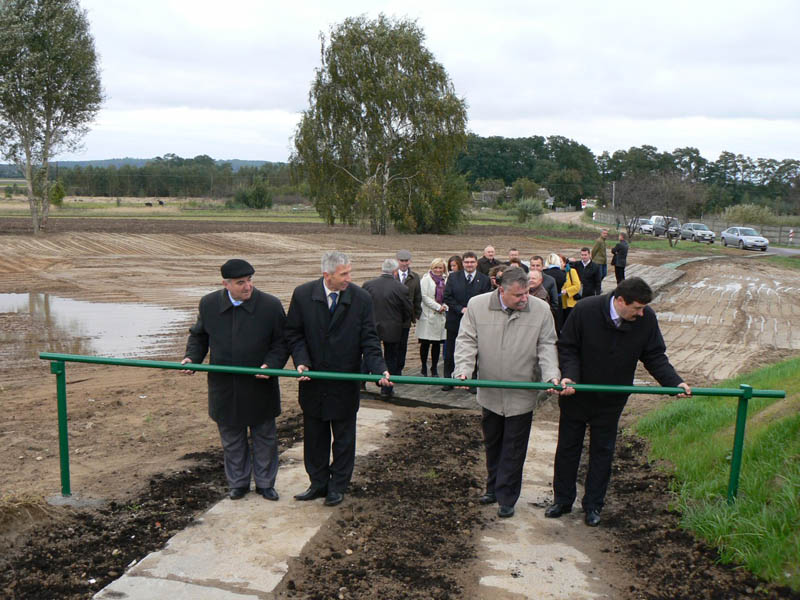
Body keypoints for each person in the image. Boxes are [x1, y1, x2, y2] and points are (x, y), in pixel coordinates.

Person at [546, 277, 691, 527]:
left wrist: (674, 382)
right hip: (577, 394)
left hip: (612, 398)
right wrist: (569, 377)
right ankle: (562, 500)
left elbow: (654, 355)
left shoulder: (646, 320)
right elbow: (567, 346)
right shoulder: (585, 310)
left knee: (603, 451)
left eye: (644, 308)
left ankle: (593, 505)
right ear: (620, 300)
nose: (642, 312)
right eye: (637, 307)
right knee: (568, 447)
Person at [285, 251, 391, 507]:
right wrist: (302, 361)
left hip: (344, 381)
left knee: (343, 439)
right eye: (343, 274)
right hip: (313, 380)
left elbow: (369, 338)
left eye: (349, 272)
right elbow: (294, 334)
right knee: (314, 437)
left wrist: (379, 370)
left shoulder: (361, 298)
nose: (349, 278)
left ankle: (338, 486)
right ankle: (318, 483)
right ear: (327, 275)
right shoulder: (302, 295)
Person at [454, 267, 560, 518]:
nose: (524, 298)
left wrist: (551, 375)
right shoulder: (478, 306)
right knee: (493, 443)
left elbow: (547, 345)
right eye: (518, 295)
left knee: (514, 448)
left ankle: (507, 497)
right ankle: (492, 487)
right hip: (490, 391)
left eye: (527, 293)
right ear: (501, 290)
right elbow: (466, 339)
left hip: (522, 392)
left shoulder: (541, 310)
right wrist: (464, 369)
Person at [182, 259, 289, 501]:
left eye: (250, 280)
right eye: (241, 282)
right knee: (231, 438)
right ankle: (238, 483)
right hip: (224, 385)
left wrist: (272, 365)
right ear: (226, 284)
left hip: (259, 383)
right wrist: (191, 358)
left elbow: (282, 342)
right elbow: (199, 337)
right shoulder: (209, 304)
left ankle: (265, 484)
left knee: (264, 437)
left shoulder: (270, 306)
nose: (247, 286)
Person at [442, 251, 492, 391]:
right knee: (450, 351)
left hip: (476, 322)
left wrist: (472, 311)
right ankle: (448, 380)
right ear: (462, 263)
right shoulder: (453, 278)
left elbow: (486, 299)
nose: (469, 265)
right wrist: (460, 309)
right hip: (455, 320)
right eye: (466, 262)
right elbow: (447, 297)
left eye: (472, 262)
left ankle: (472, 381)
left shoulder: (484, 279)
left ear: (476, 263)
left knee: (474, 351)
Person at [363, 258, 413, 397]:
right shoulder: (401, 288)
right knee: (390, 358)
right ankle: (386, 389)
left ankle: (360, 383)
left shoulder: (368, 285)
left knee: (369, 354)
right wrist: (400, 322)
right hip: (393, 328)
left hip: (372, 326)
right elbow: (407, 309)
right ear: (395, 272)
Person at [417, 258, 448, 377]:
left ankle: (434, 368)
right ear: (432, 268)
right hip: (428, 314)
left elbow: (448, 295)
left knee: (436, 344)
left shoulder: (446, 280)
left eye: (440, 268)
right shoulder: (425, 280)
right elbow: (424, 297)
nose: (438, 270)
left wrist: (444, 306)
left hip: (440, 316)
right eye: (436, 267)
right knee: (425, 343)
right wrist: (437, 306)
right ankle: (424, 366)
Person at [395, 250, 422, 376]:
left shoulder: (415, 277)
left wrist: (416, 313)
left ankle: (399, 369)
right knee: (391, 344)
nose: (404, 263)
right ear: (397, 261)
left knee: (402, 345)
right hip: (391, 315)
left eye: (406, 261)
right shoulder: (392, 275)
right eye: (402, 261)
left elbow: (418, 296)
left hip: (406, 317)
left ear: (410, 261)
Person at [529, 255, 560, 322]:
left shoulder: (550, 280)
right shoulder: (524, 278)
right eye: (533, 265)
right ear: (529, 266)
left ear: (542, 266)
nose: (535, 268)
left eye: (537, 265)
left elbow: (554, 303)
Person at [560, 257, 581, 325]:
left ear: (565, 263)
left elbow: (577, 286)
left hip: (569, 302)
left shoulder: (571, 271)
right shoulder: (556, 272)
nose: (559, 263)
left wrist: (567, 290)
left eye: (561, 262)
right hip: (559, 303)